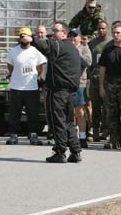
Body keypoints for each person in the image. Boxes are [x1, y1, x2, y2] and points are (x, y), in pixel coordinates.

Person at [31, 21, 82, 163]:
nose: (52, 33)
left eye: (56, 31)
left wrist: (32, 39)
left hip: (58, 91)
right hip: (68, 92)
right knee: (68, 122)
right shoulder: (72, 49)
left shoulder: (59, 45)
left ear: (64, 34)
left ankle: (60, 152)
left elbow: (45, 46)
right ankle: (75, 151)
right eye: (52, 31)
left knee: (58, 122)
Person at [5, 27, 47, 145]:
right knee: (15, 113)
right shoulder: (13, 51)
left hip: (31, 88)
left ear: (30, 37)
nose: (23, 38)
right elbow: (10, 66)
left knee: (33, 113)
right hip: (16, 87)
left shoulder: (35, 51)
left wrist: (37, 77)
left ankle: (33, 134)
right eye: (21, 36)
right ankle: (13, 135)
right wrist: (16, 75)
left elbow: (41, 65)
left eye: (26, 36)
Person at [99, 24, 121, 150]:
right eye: (114, 32)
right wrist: (101, 87)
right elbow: (102, 69)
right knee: (111, 113)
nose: (116, 35)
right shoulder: (108, 50)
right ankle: (114, 139)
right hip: (111, 85)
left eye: (118, 32)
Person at [88, 20, 112, 141]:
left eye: (103, 28)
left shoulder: (111, 43)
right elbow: (89, 62)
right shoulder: (92, 43)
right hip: (95, 79)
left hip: (108, 79)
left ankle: (106, 130)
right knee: (95, 107)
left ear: (107, 29)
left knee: (107, 107)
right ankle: (95, 131)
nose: (101, 30)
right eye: (99, 28)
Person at [69, 28, 92, 149]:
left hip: (79, 83)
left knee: (80, 111)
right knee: (69, 111)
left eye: (75, 36)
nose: (73, 38)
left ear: (79, 37)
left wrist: (76, 53)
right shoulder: (66, 48)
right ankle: (72, 136)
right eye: (71, 36)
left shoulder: (84, 48)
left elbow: (88, 62)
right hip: (68, 83)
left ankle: (82, 137)